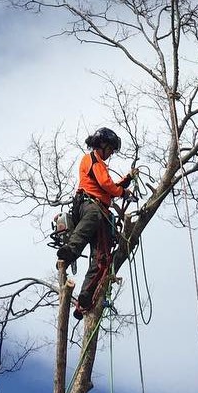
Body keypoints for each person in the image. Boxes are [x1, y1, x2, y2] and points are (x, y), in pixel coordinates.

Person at [56, 127, 134, 318]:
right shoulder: (91, 159)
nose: (111, 154)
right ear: (102, 145)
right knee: (93, 217)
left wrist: (126, 181)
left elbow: (109, 186)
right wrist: (123, 192)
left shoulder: (101, 165)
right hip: (89, 205)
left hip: (101, 211)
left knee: (102, 258)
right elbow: (106, 184)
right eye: (111, 149)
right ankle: (71, 250)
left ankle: (86, 295)